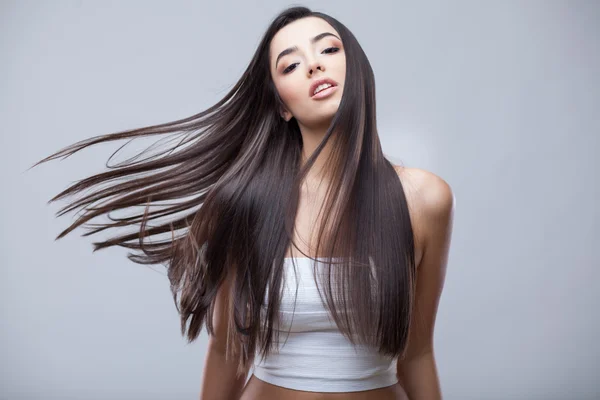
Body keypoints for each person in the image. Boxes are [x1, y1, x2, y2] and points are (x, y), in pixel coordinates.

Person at [33, 6, 454, 400]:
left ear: (358, 71)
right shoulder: (244, 202)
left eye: (328, 48)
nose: (314, 64)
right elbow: (226, 351)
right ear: (281, 105)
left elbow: (416, 353)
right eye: (290, 65)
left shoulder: (424, 200)